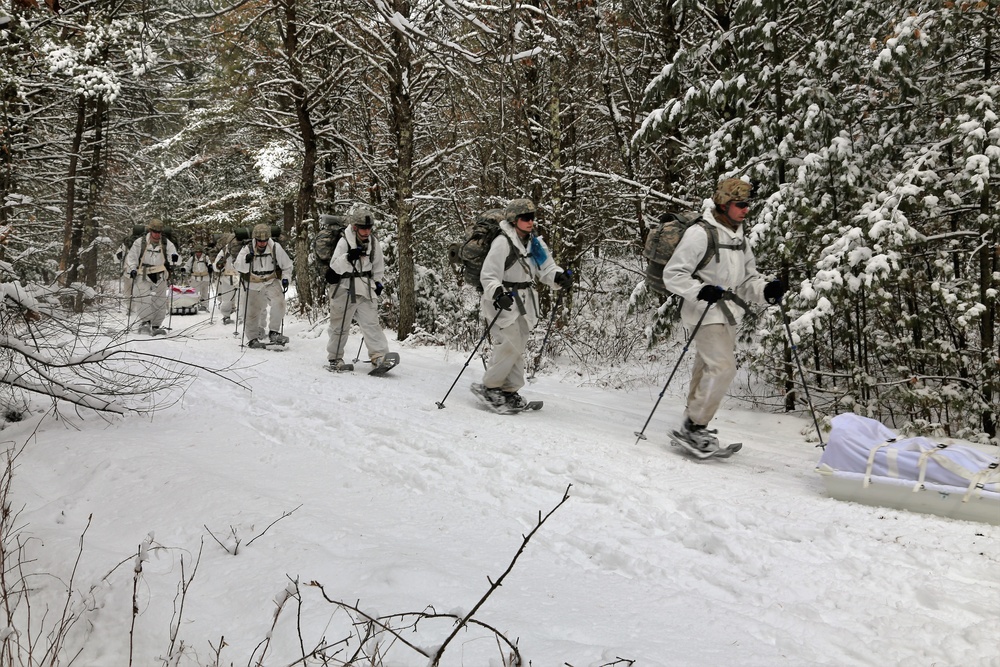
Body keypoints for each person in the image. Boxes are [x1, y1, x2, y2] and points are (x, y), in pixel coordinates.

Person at [661, 177, 786, 453]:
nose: (745, 210)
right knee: (723, 368)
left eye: (747, 205)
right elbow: (673, 275)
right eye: (740, 204)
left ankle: (691, 423)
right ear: (724, 203)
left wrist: (766, 290)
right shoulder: (700, 234)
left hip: (728, 314)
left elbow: (746, 279)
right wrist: (700, 290)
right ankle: (694, 426)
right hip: (704, 312)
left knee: (707, 368)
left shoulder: (739, 237)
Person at [476, 199, 572, 410]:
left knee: (518, 345)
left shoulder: (535, 243)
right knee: (509, 344)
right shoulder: (502, 242)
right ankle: (490, 387)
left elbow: (546, 268)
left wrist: (558, 277)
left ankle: (510, 389)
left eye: (532, 218)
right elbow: (489, 275)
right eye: (525, 218)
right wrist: (498, 292)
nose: (530, 222)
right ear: (514, 220)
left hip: (525, 301)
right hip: (502, 301)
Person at [326, 206, 391, 371]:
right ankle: (335, 358)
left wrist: (377, 282)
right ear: (355, 227)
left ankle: (379, 357)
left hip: (365, 287)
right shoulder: (344, 241)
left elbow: (377, 266)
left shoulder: (374, 243)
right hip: (344, 288)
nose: (367, 231)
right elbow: (334, 267)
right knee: (339, 326)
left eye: (369, 228)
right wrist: (348, 258)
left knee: (371, 324)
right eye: (363, 228)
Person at [234, 223, 293, 348]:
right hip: (253, 282)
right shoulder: (247, 248)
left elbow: (287, 265)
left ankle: (274, 332)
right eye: (260, 241)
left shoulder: (275, 247)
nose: (262, 243)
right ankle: (252, 338)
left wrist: (286, 279)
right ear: (255, 239)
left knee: (279, 303)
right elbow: (238, 266)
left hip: (271, 280)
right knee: (252, 311)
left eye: (265, 241)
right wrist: (246, 260)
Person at [124, 218, 178, 336]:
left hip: (160, 273)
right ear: (150, 230)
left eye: (159, 232)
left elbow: (174, 255)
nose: (157, 234)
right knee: (142, 297)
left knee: (160, 300)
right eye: (154, 231)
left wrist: (174, 259)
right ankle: (145, 322)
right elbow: (132, 257)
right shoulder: (140, 242)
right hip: (143, 273)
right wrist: (132, 269)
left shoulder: (166, 243)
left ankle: (156, 325)